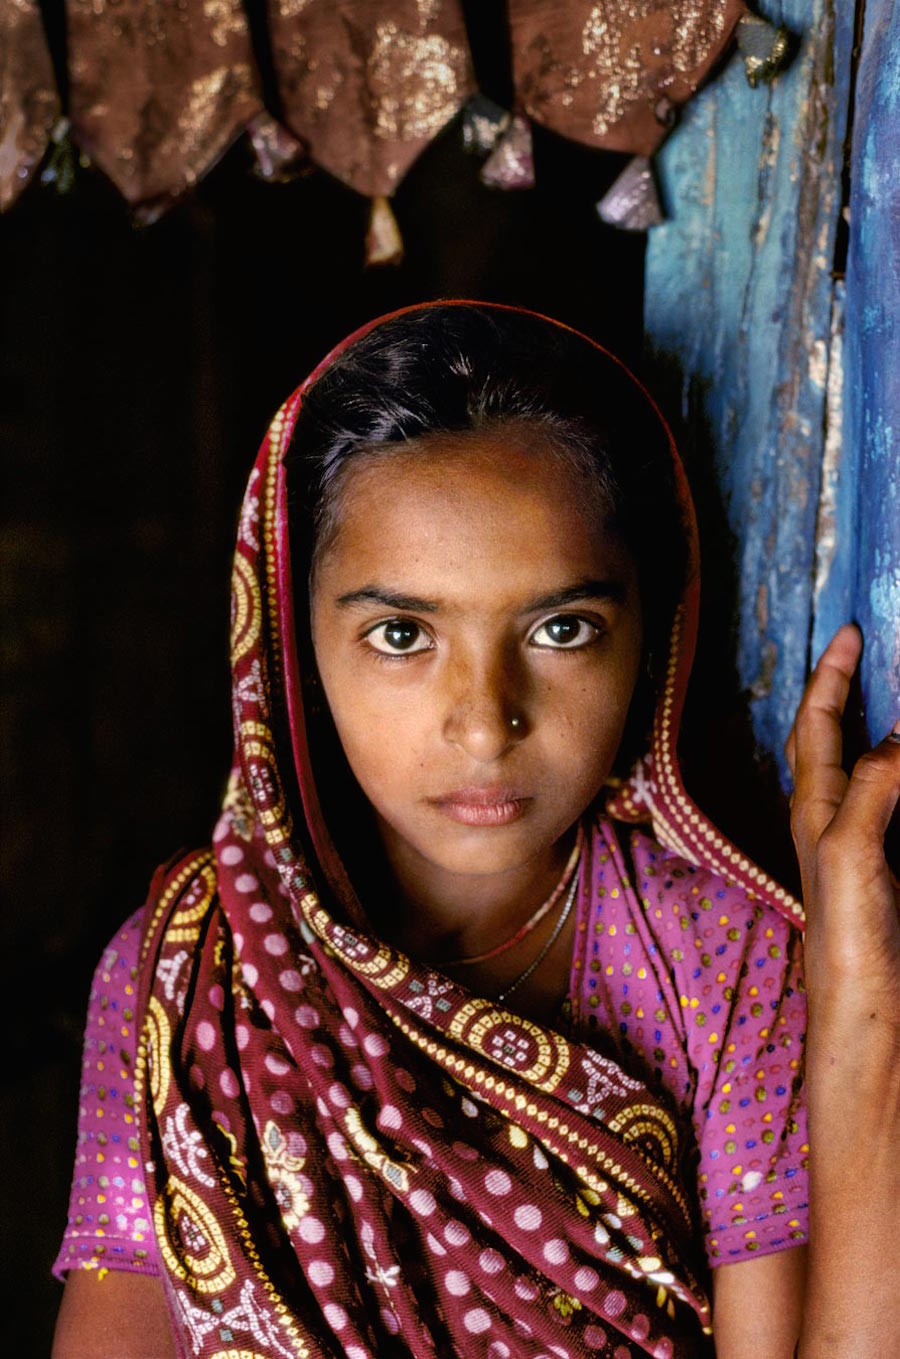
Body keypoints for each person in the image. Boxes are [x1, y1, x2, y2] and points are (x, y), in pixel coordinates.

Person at [51, 302, 900, 1358]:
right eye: (402, 634)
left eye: (561, 629)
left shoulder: (716, 958)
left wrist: (861, 1008)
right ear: (288, 638)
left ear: (653, 627)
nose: (486, 722)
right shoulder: (186, 971)